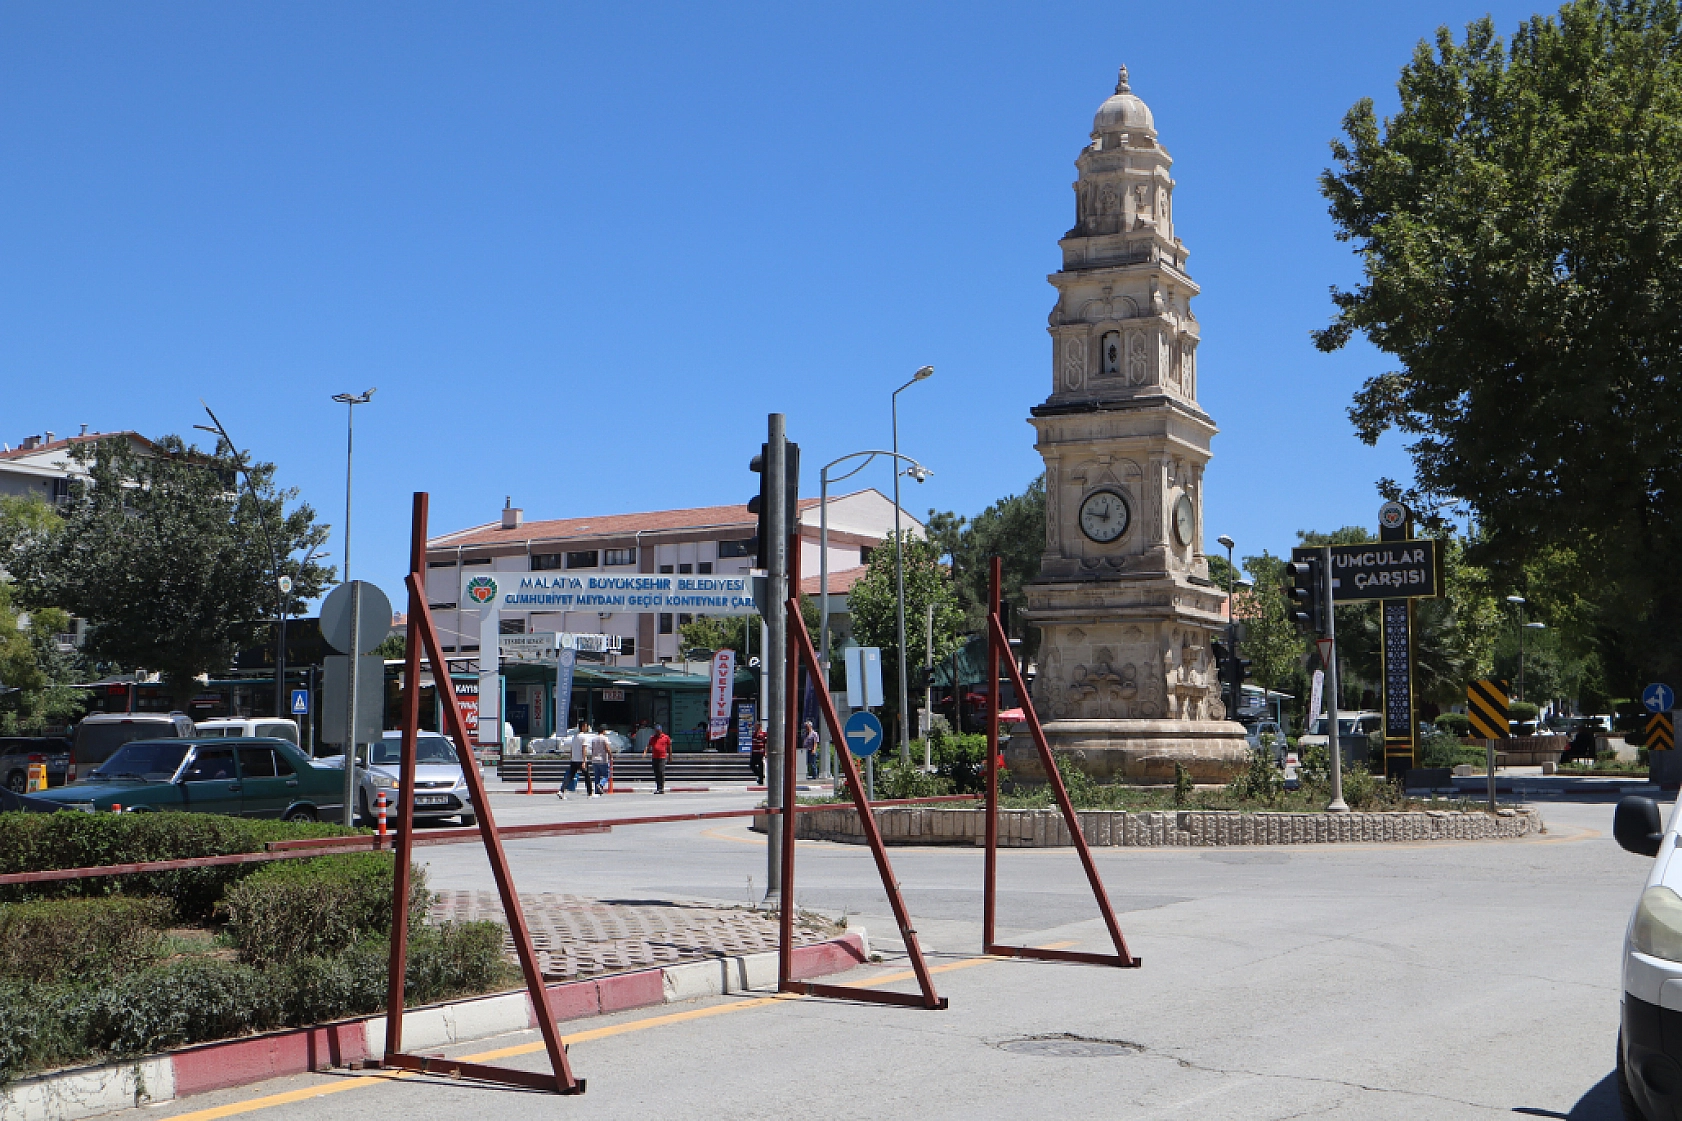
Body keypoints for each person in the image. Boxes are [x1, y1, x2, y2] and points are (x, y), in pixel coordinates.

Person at [558, 723, 589, 800]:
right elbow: (584, 749)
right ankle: (590, 793)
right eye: (586, 726)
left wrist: (571, 757)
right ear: (583, 727)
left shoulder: (574, 737)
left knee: (570, 776)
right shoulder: (584, 737)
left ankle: (561, 790)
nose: (587, 727)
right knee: (587, 776)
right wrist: (584, 761)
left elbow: (572, 748)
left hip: (574, 760)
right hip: (580, 760)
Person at [588, 728, 613, 797]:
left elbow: (592, 749)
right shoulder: (605, 738)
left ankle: (596, 790)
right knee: (606, 775)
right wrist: (611, 755)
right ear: (603, 731)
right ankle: (601, 784)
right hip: (603, 759)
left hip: (595, 759)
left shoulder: (593, 739)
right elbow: (607, 748)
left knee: (597, 776)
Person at [649, 723, 672, 794]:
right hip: (654, 757)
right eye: (656, 731)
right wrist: (645, 751)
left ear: (661, 730)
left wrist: (670, 756)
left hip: (662, 757)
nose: (657, 732)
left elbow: (669, 747)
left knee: (661, 772)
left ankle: (661, 787)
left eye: (658, 731)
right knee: (656, 773)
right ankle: (658, 787)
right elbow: (649, 745)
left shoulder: (666, 737)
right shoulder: (652, 738)